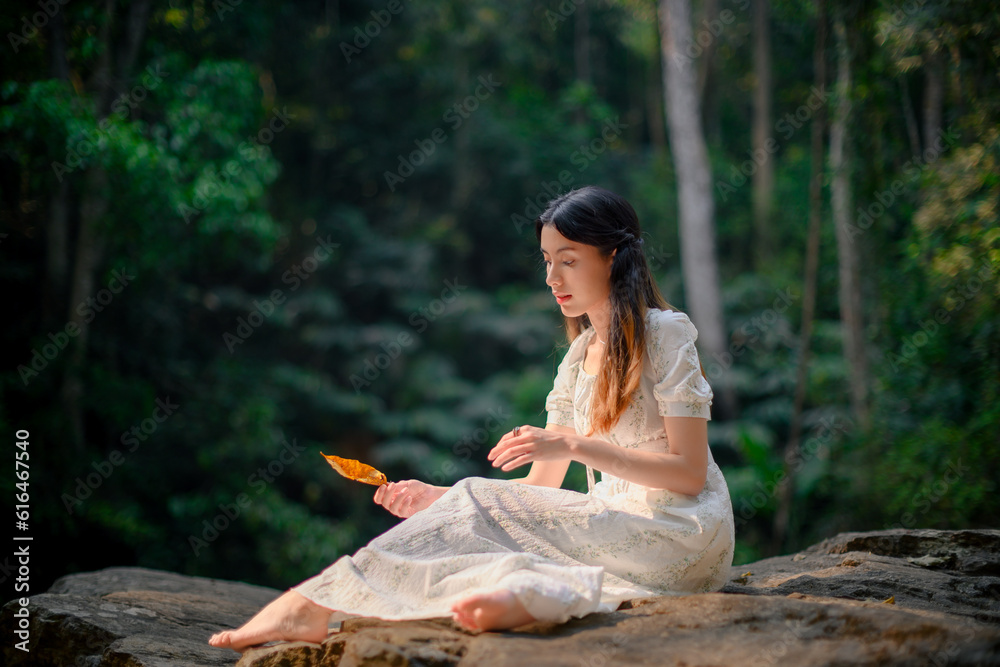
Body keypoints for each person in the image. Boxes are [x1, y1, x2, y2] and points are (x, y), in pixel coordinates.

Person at [208, 185, 735, 651]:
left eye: (568, 260)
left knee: (490, 521)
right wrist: (442, 500)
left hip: (681, 531)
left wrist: (575, 447)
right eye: (546, 259)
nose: (552, 276)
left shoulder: (665, 333)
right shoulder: (577, 362)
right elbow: (538, 490)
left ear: (614, 256)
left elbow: (689, 474)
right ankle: (526, 598)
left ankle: (312, 605)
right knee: (490, 546)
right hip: (619, 532)